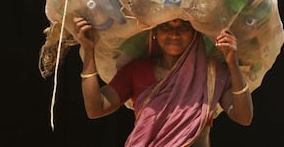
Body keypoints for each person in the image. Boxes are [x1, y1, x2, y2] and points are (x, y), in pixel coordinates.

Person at [74, 16, 253, 146]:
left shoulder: (213, 72)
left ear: (195, 33)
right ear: (154, 33)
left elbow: (243, 117)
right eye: (165, 27)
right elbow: (95, 108)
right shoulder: (137, 71)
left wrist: (232, 62)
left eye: (183, 27)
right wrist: (88, 51)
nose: (174, 34)